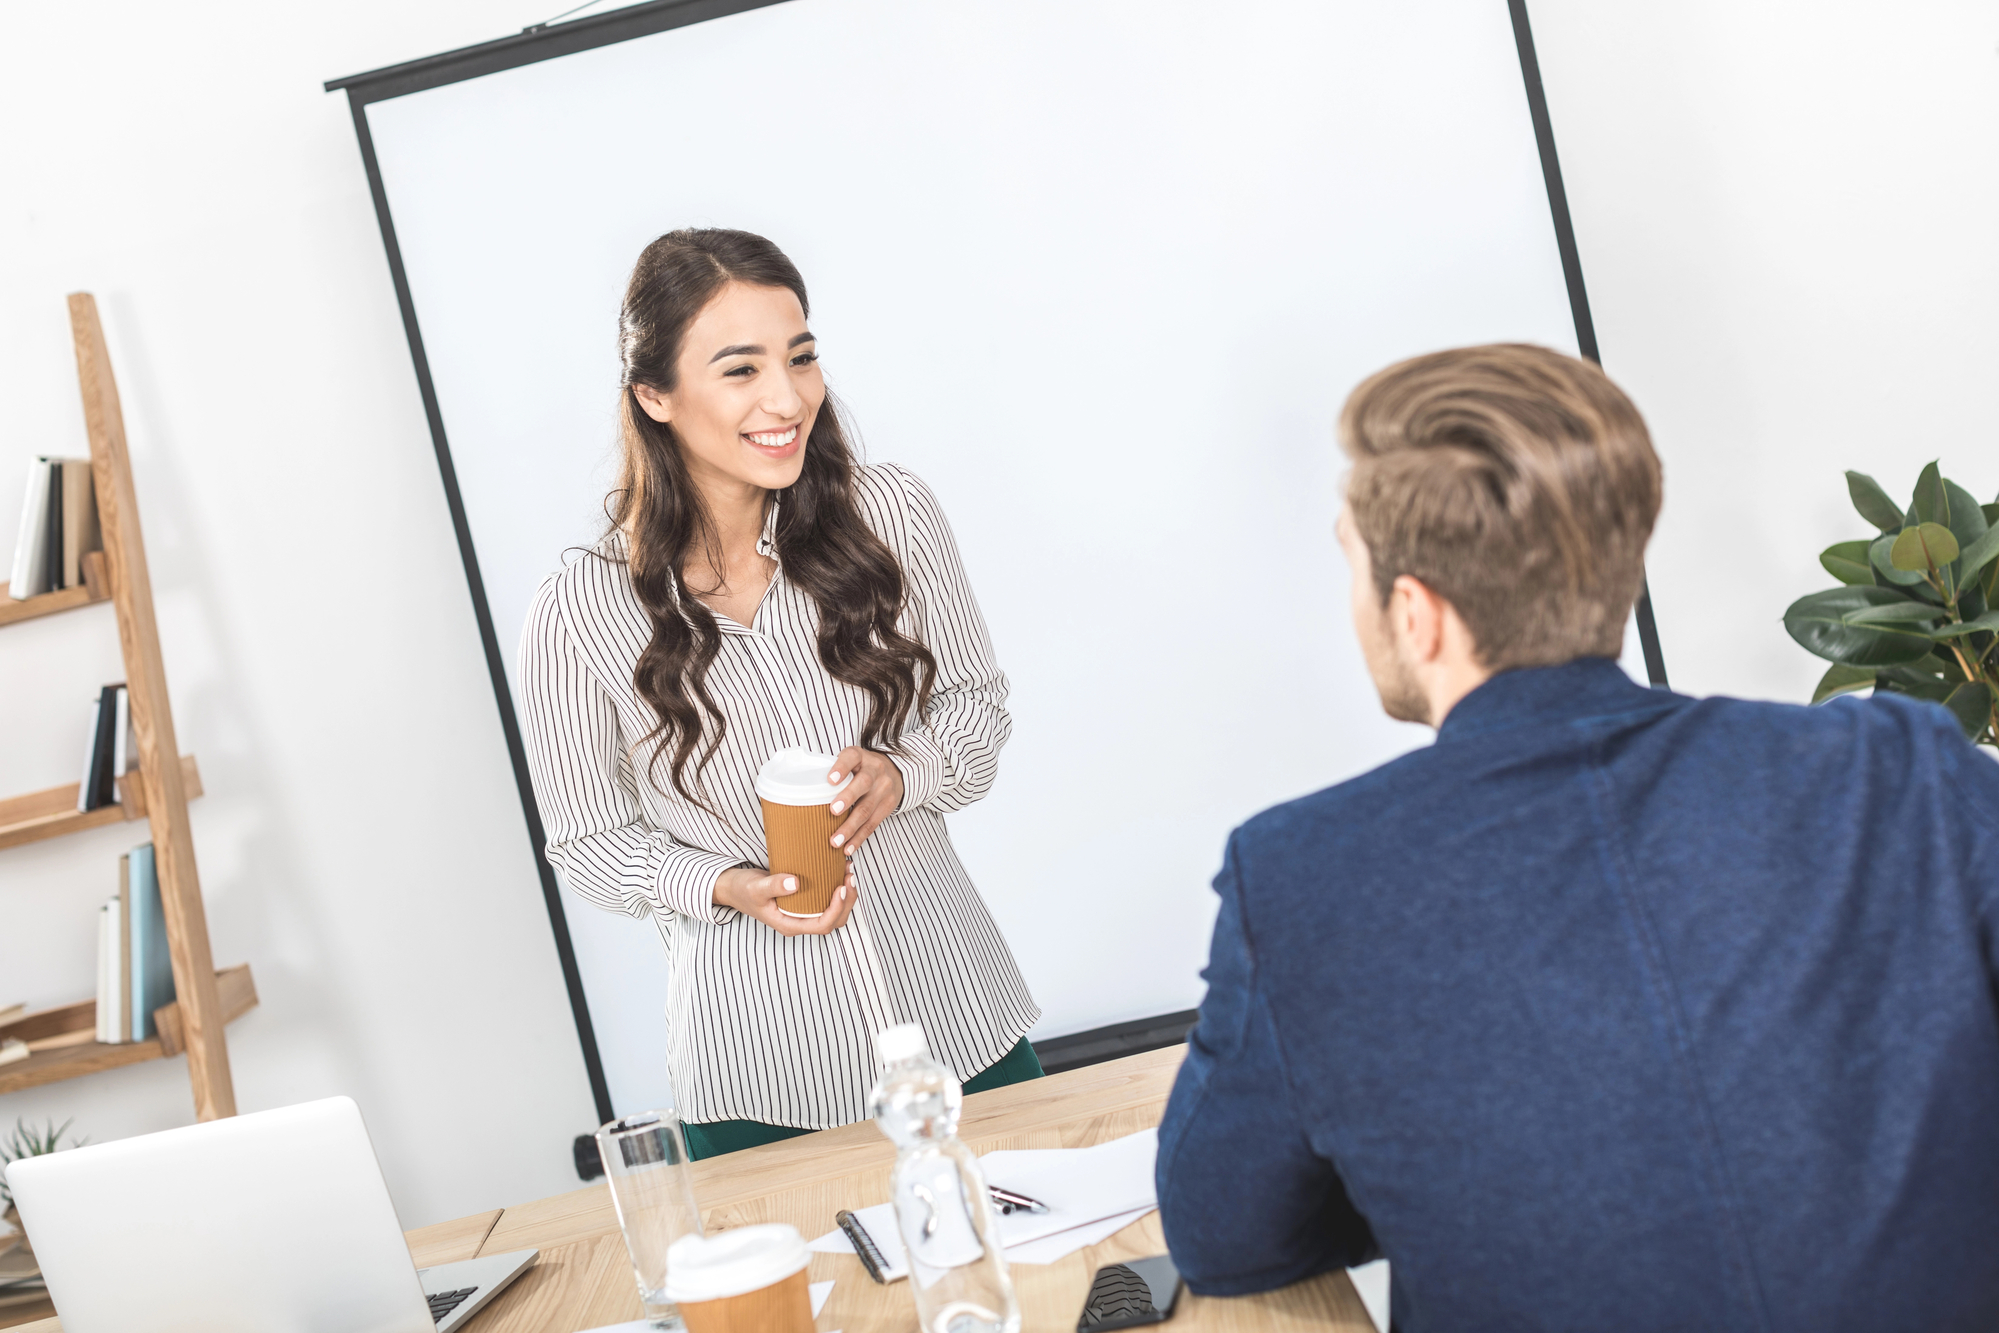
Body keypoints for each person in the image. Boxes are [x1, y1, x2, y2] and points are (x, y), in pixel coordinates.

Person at [1155, 344, 1999, 1330]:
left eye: (1351, 562)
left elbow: (1227, 1236)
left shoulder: (1299, 874)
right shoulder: (1899, 766)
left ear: (1417, 614)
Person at [518, 229, 1041, 1159]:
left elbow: (975, 704)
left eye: (800, 357)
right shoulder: (578, 610)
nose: (787, 397)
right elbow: (586, 840)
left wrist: (903, 772)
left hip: (961, 1023)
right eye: (740, 369)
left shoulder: (892, 516)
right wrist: (723, 884)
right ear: (654, 396)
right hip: (760, 1073)